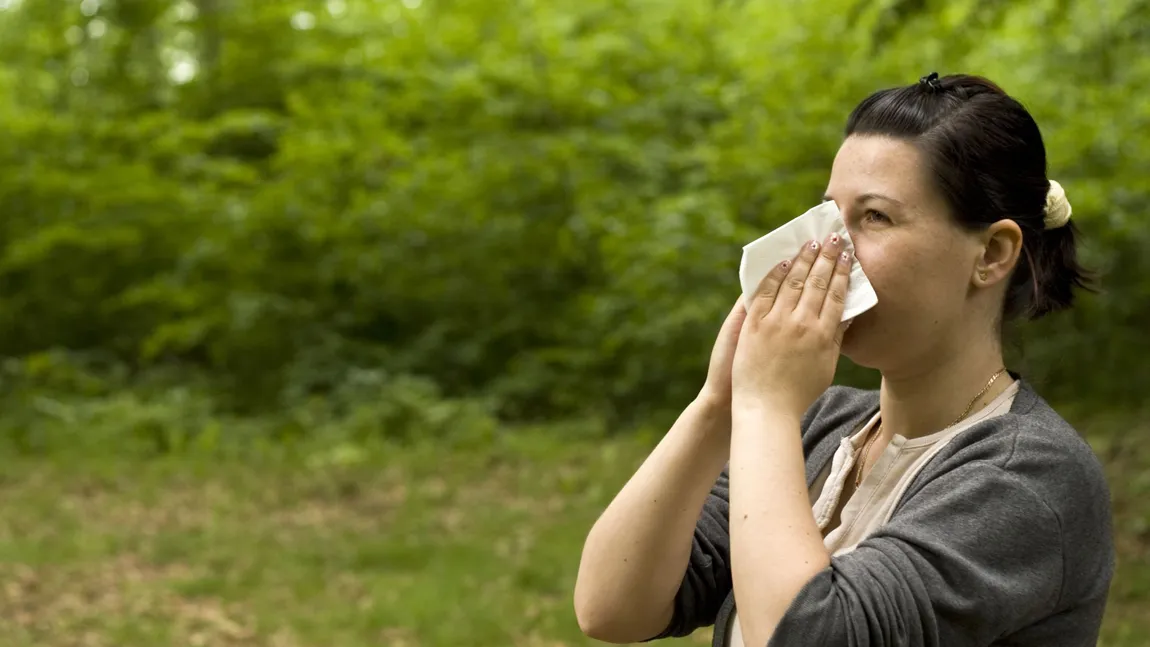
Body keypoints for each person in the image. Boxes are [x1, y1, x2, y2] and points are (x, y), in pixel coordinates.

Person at [572, 73, 1115, 647]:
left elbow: (808, 636)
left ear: (992, 253)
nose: (829, 249)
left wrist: (767, 405)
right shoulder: (820, 427)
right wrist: (722, 402)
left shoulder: (1029, 477)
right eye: (831, 214)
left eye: (874, 217)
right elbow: (613, 608)